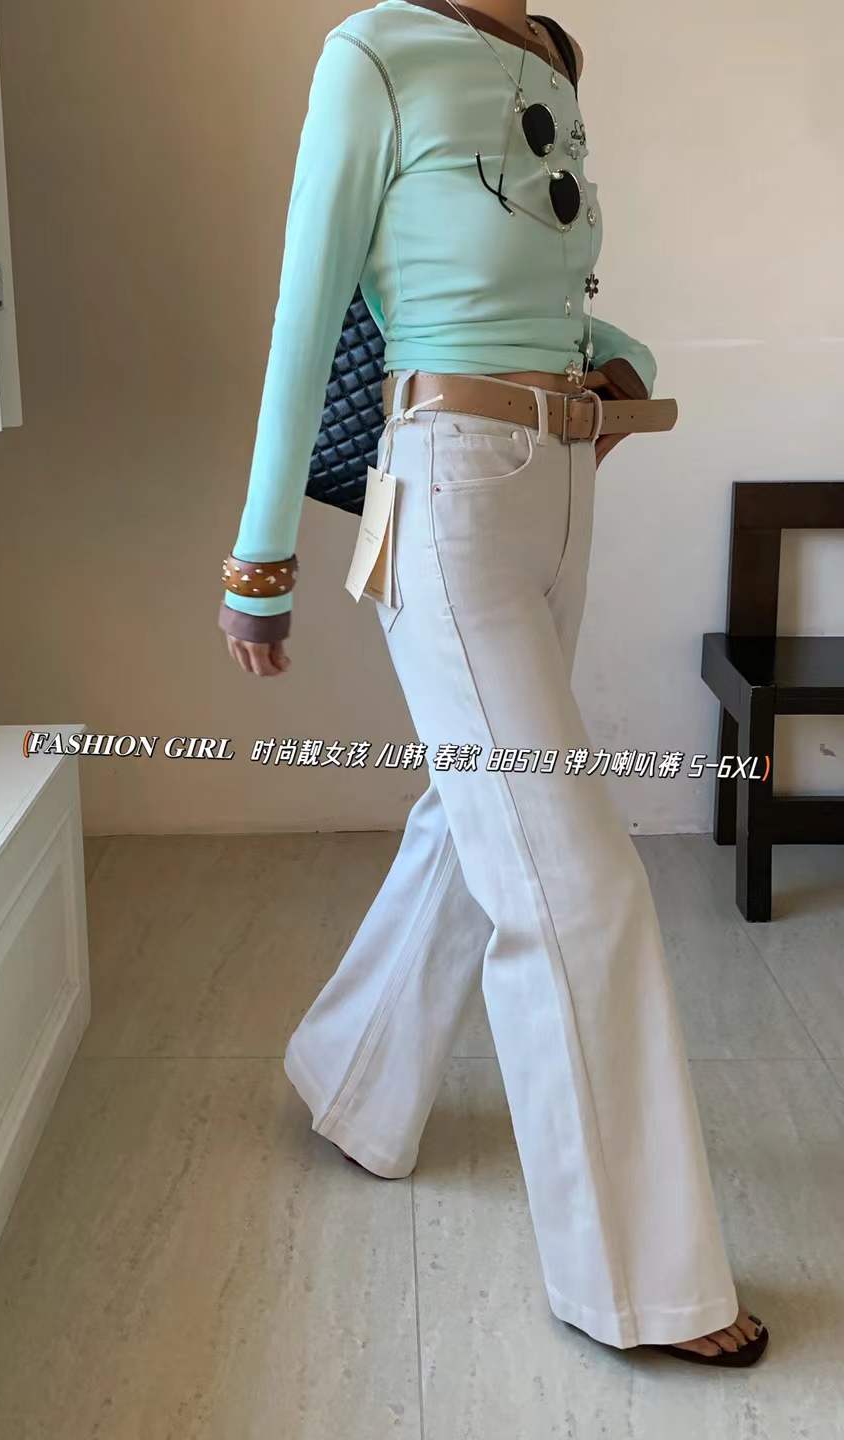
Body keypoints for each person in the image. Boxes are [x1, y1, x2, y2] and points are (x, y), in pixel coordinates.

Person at [216, 0, 768, 1367]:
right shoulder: (374, 51)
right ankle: (640, 1284)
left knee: (480, 822)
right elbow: (309, 304)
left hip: (561, 489)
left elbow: (534, 284)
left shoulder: (552, 56)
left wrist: (616, 361)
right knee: (576, 883)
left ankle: (351, 1079)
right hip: (451, 495)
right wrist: (261, 556)